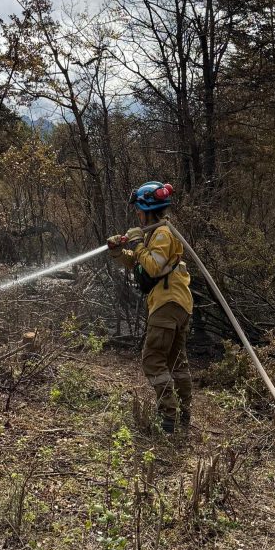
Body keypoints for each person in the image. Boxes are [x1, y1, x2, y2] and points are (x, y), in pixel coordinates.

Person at [107, 181, 193, 434]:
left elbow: (153, 266)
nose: (136, 213)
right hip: (178, 303)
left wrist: (137, 243)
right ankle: (183, 414)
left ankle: (168, 416)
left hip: (167, 303)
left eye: (138, 209)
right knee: (176, 362)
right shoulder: (156, 234)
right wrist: (118, 251)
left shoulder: (163, 233)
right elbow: (142, 265)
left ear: (147, 209)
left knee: (153, 359)